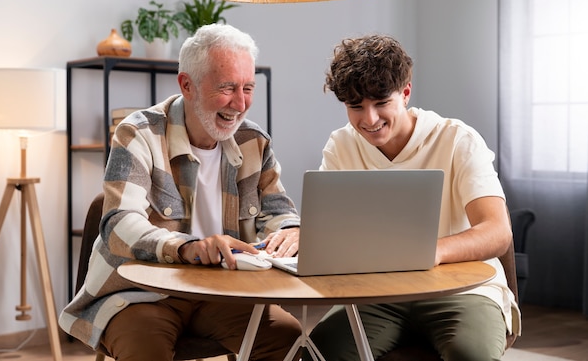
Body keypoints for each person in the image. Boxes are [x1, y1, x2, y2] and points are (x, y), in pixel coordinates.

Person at [59, 23, 302, 361]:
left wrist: (290, 231)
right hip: (141, 293)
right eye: (228, 87)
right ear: (187, 85)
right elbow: (119, 223)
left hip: (222, 292)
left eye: (248, 87)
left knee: (286, 338)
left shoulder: (253, 141)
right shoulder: (138, 133)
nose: (240, 102)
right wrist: (187, 247)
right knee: (147, 350)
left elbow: (278, 211)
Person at [304, 35, 521, 361]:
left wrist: (430, 252)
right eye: (355, 107)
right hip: (376, 296)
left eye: (381, 103)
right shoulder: (341, 146)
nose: (369, 120)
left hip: (462, 292)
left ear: (405, 93)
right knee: (318, 354)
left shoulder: (457, 140)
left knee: (470, 355)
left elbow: (497, 232)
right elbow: (327, 235)